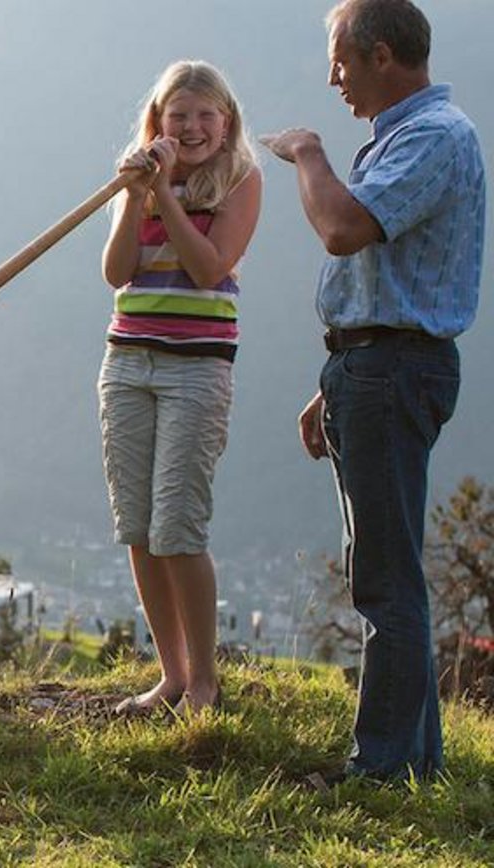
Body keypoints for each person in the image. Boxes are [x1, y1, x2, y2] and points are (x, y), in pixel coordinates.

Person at [262, 0, 484, 782]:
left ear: (382, 55)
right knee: (389, 573)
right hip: (373, 367)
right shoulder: (411, 137)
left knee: (384, 582)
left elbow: (343, 230)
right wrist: (336, 382)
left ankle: (383, 771)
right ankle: (415, 762)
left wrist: (311, 154)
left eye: (340, 61)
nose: (334, 78)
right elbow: (382, 279)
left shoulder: (432, 137)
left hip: (391, 368)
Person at [100, 60, 263, 716]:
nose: (192, 127)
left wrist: (164, 193)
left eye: (205, 116)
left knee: (178, 528)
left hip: (197, 367)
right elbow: (117, 272)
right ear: (158, 123)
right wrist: (136, 194)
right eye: (179, 116)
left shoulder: (241, 182)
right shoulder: (131, 179)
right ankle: (170, 676)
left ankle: (204, 682)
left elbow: (207, 269)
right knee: (138, 528)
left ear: (225, 125)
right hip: (127, 363)